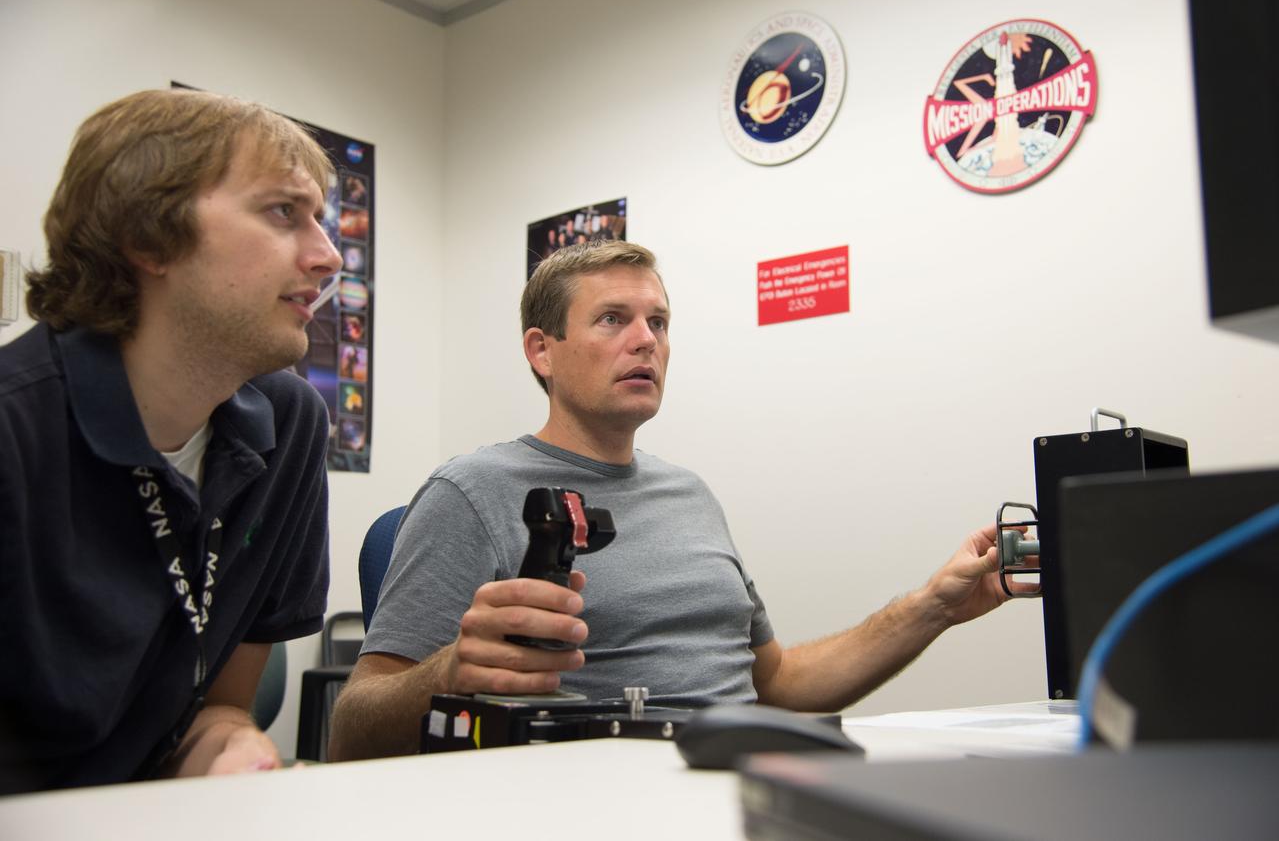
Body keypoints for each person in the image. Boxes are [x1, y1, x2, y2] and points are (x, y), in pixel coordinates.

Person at [328, 241, 1033, 761]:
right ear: (542, 351)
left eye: (658, 322)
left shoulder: (688, 492)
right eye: (612, 319)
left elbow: (777, 682)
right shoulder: (474, 490)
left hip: (739, 781)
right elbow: (350, 727)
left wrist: (933, 605)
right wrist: (448, 673)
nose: (646, 341)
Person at [0, 89, 341, 793]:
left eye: (321, 220)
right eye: (284, 212)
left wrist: (230, 744)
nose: (328, 256)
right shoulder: (14, 426)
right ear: (149, 238)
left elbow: (215, 708)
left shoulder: (290, 426)